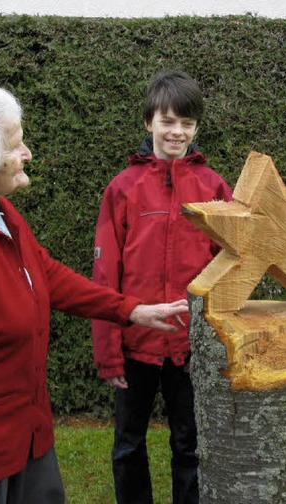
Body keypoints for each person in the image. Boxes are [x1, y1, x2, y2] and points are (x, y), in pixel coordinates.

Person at [0, 82, 190, 504]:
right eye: (15, 145)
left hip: (28, 435)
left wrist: (133, 311)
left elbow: (46, 274)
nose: (28, 153)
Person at [91, 70, 232, 503]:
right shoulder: (123, 189)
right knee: (128, 443)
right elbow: (105, 274)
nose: (178, 132)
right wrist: (108, 350)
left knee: (189, 445)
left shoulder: (212, 189)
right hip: (135, 344)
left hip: (190, 347)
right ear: (148, 122)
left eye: (187, 123)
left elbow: (228, 269)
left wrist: (211, 341)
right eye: (168, 121)